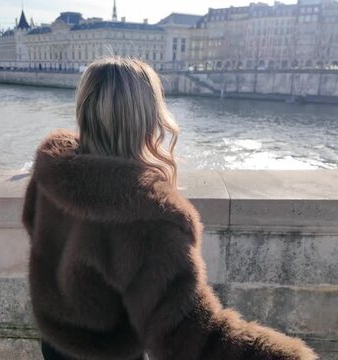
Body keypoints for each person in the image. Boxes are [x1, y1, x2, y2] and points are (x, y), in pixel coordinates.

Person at [22, 58, 317, 360]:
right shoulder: (150, 218)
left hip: (56, 347)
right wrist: (290, 356)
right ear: (149, 117)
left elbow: (35, 230)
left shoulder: (52, 174)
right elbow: (193, 338)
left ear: (84, 108)